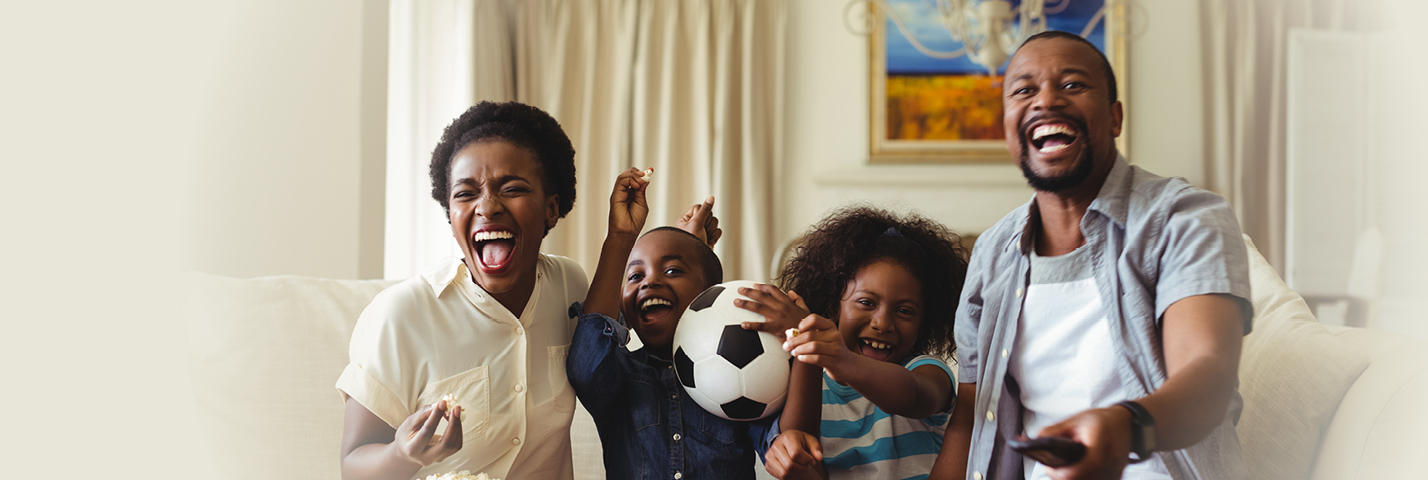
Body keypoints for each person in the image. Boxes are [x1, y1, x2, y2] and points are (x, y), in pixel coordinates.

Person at [931, 31, 1254, 480]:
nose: (1046, 101)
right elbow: (970, 415)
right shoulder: (991, 252)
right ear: (1007, 127)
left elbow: (1207, 377)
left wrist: (1125, 427)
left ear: (1114, 117)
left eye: (1072, 85)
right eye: (1024, 90)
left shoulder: (1184, 219)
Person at [336, 101, 589, 480]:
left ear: (551, 209)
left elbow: (612, 352)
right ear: (451, 214)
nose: (488, 206)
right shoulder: (401, 314)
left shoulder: (569, 285)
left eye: (513, 188)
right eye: (466, 194)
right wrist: (404, 455)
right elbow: (353, 465)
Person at [566, 167, 781, 480]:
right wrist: (620, 238)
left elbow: (783, 445)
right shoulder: (619, 375)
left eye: (671, 271)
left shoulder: (742, 370)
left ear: (710, 296)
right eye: (635, 276)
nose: (649, 282)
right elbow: (587, 362)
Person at [751, 206, 970, 480]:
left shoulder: (928, 371)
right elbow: (802, 455)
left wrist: (842, 360)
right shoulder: (807, 384)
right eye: (866, 303)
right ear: (833, 307)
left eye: (904, 311)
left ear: (924, 323)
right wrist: (806, 344)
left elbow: (911, 395)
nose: (882, 323)